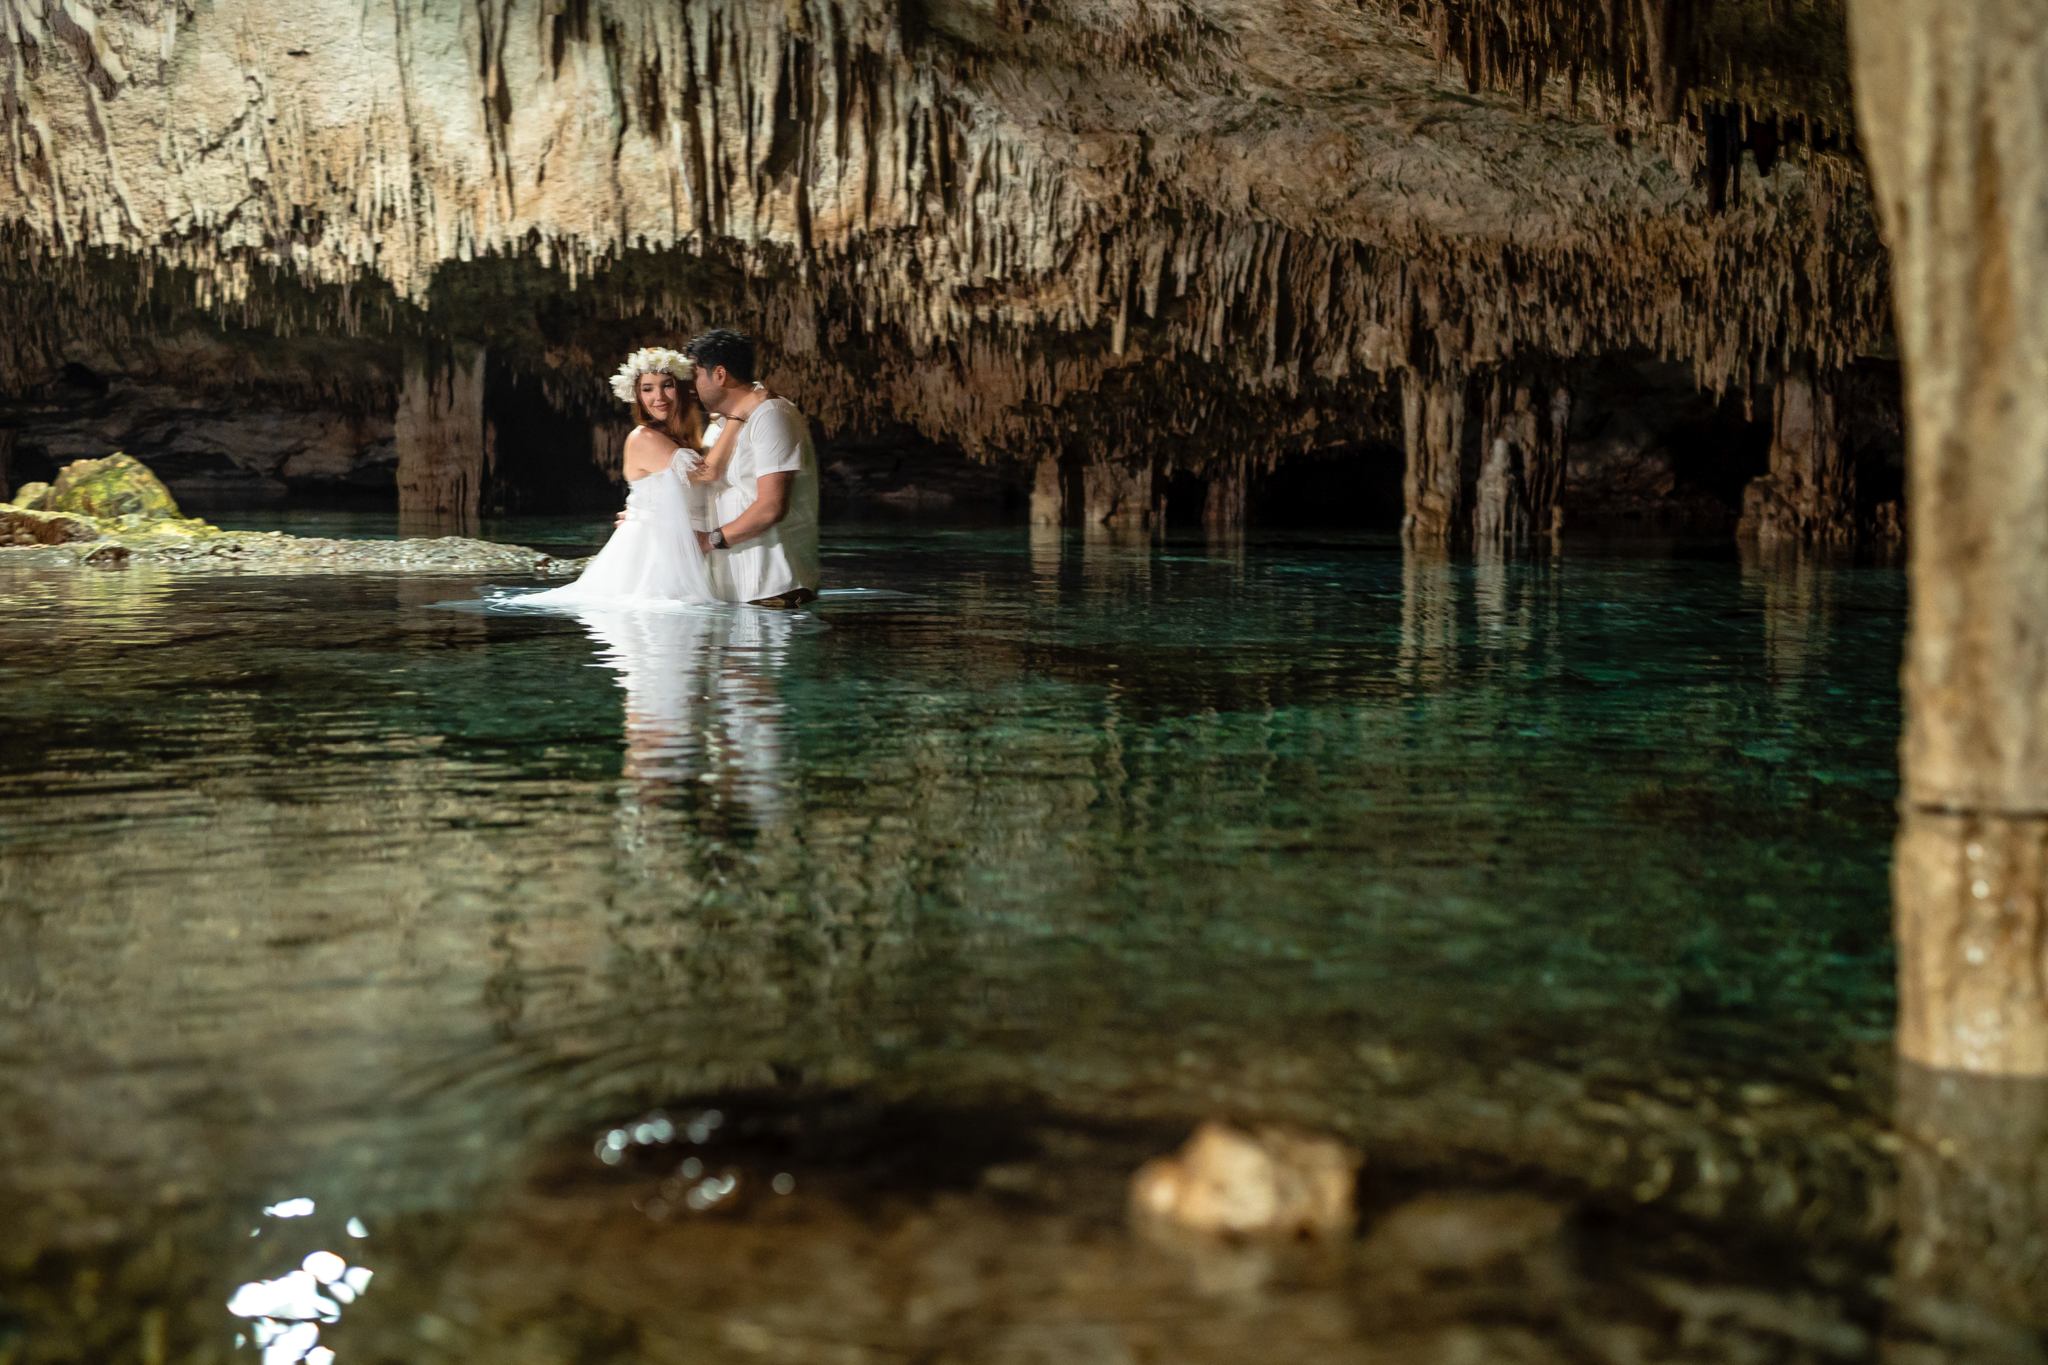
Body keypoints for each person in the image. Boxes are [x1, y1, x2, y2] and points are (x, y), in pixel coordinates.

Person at [513, 347, 737, 608]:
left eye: (667, 385)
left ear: (682, 388)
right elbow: (705, 474)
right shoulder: (643, 438)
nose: (659, 396)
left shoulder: (681, 440)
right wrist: (736, 418)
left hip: (685, 548)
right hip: (653, 554)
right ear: (638, 397)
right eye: (648, 389)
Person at [682, 329, 821, 608]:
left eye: (696, 374)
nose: (691, 386)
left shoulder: (771, 415)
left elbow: (771, 506)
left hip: (773, 587)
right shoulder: (719, 427)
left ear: (719, 374)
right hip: (735, 591)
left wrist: (710, 541)